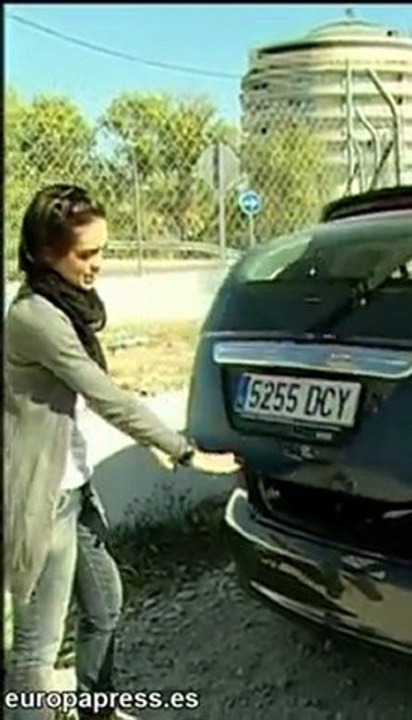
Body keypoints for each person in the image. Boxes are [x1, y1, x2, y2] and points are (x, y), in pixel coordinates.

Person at [3, 184, 240, 720]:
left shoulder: (64, 305)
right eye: (86, 253)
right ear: (44, 253)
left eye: (102, 250)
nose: (98, 264)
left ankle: (98, 709)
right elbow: (105, 395)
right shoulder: (35, 317)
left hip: (74, 488)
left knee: (105, 605)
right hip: (42, 500)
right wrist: (182, 450)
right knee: (37, 652)